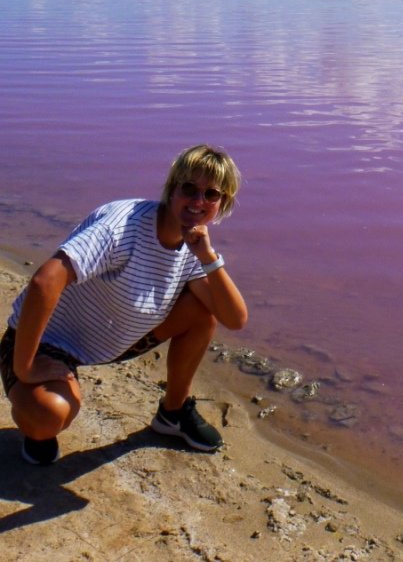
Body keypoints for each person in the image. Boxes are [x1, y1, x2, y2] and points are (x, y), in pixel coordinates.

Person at [0, 144, 248, 465]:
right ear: (172, 188)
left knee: (202, 309)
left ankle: (172, 414)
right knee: (50, 415)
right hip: (45, 342)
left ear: (222, 203)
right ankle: (37, 426)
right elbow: (44, 282)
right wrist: (26, 365)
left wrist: (209, 259)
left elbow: (235, 318)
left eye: (211, 194)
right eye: (189, 188)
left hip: (113, 341)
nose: (198, 201)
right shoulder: (121, 226)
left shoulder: (195, 244)